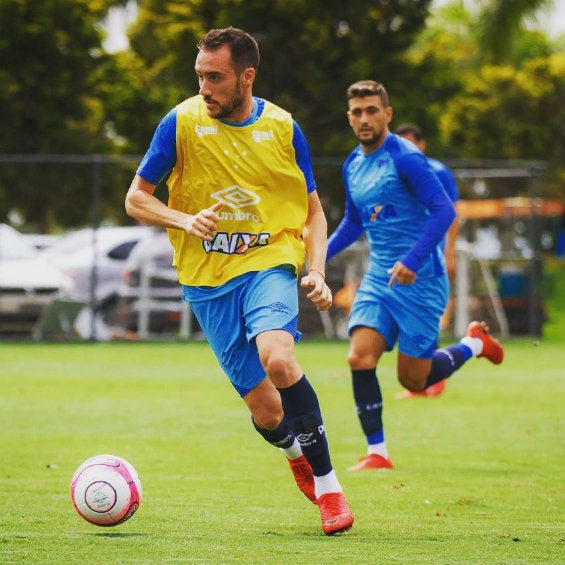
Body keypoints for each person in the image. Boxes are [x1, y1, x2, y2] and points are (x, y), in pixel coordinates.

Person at [125, 27, 353, 535]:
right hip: (206, 281)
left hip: (268, 260)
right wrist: (183, 220)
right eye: (200, 76)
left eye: (216, 77)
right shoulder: (180, 123)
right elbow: (135, 198)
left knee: (279, 356)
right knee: (267, 411)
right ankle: (297, 455)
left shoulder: (283, 128)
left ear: (246, 77)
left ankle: (330, 488)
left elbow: (314, 213)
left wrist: (315, 270)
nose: (204, 87)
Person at [326, 80, 504, 471]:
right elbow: (353, 224)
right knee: (359, 357)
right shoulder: (352, 164)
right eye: (357, 112)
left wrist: (413, 258)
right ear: (349, 118)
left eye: (372, 110)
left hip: (421, 280)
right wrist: (316, 258)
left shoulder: (406, 158)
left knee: (415, 380)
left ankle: (474, 344)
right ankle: (378, 452)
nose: (364, 118)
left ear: (387, 114)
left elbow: (444, 211)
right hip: (378, 280)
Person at [393, 122, 460, 398]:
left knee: (426, 314)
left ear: (422, 145)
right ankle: (422, 379)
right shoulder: (392, 171)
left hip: (431, 256)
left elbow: (452, 212)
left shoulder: (437, 170)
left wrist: (450, 250)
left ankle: (431, 380)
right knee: (409, 314)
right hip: (405, 254)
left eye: (410, 143)